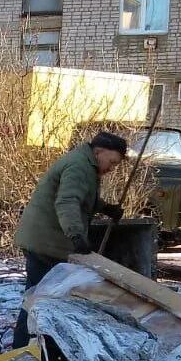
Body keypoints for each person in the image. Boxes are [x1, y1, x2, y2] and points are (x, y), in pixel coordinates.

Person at [10, 132, 128, 348]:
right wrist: (75, 234)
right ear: (98, 151)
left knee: (40, 296)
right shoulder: (79, 166)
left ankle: (31, 347)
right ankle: (23, 348)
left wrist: (105, 208)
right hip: (46, 242)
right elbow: (67, 201)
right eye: (111, 162)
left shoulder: (84, 164)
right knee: (40, 300)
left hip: (47, 239)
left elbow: (82, 196)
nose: (111, 169)